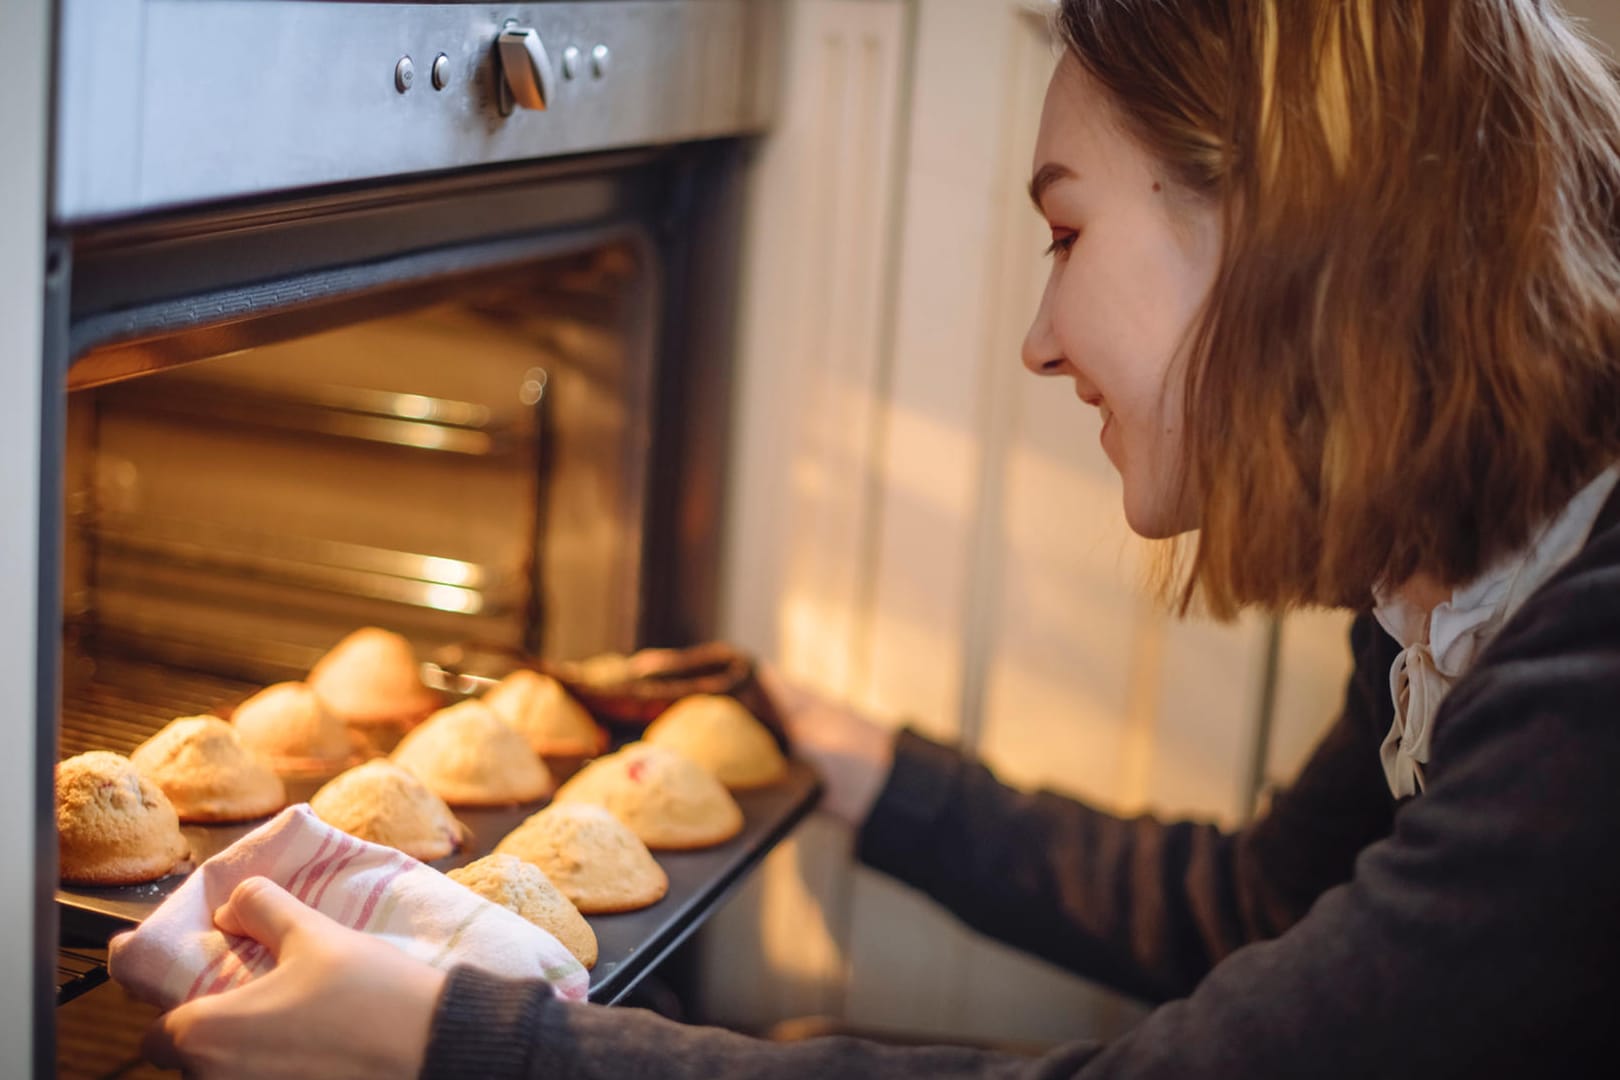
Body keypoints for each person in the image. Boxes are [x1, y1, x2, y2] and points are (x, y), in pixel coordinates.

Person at [142, 0, 1620, 1075]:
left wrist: (467, 1044)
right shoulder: (1459, 584)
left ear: (1294, 227)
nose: (1041, 342)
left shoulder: (1593, 670)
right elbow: (1257, 912)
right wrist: (855, 760)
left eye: (1067, 232)